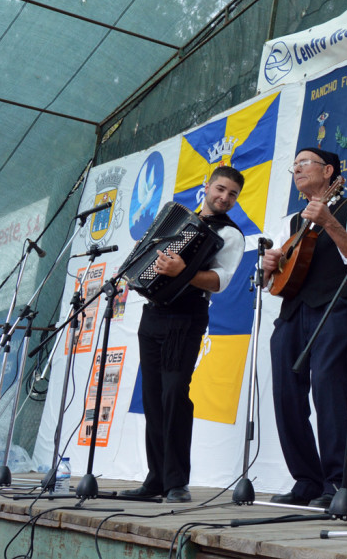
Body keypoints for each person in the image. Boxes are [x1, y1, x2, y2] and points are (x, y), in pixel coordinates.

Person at [124, 165, 245, 503]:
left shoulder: (230, 234)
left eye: (232, 194)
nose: (225, 197)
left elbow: (219, 281)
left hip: (186, 317)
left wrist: (183, 272)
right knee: (152, 397)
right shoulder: (178, 220)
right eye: (220, 189)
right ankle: (155, 480)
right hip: (153, 315)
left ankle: (177, 482)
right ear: (206, 187)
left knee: (174, 394)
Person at [262, 147, 347, 508]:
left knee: (330, 395)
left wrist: (329, 222)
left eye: (303, 163)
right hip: (293, 313)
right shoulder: (291, 221)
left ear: (328, 172)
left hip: (335, 308)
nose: (296, 169)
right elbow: (273, 280)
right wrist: (269, 266)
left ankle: (340, 484)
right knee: (286, 397)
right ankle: (307, 480)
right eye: (293, 165)